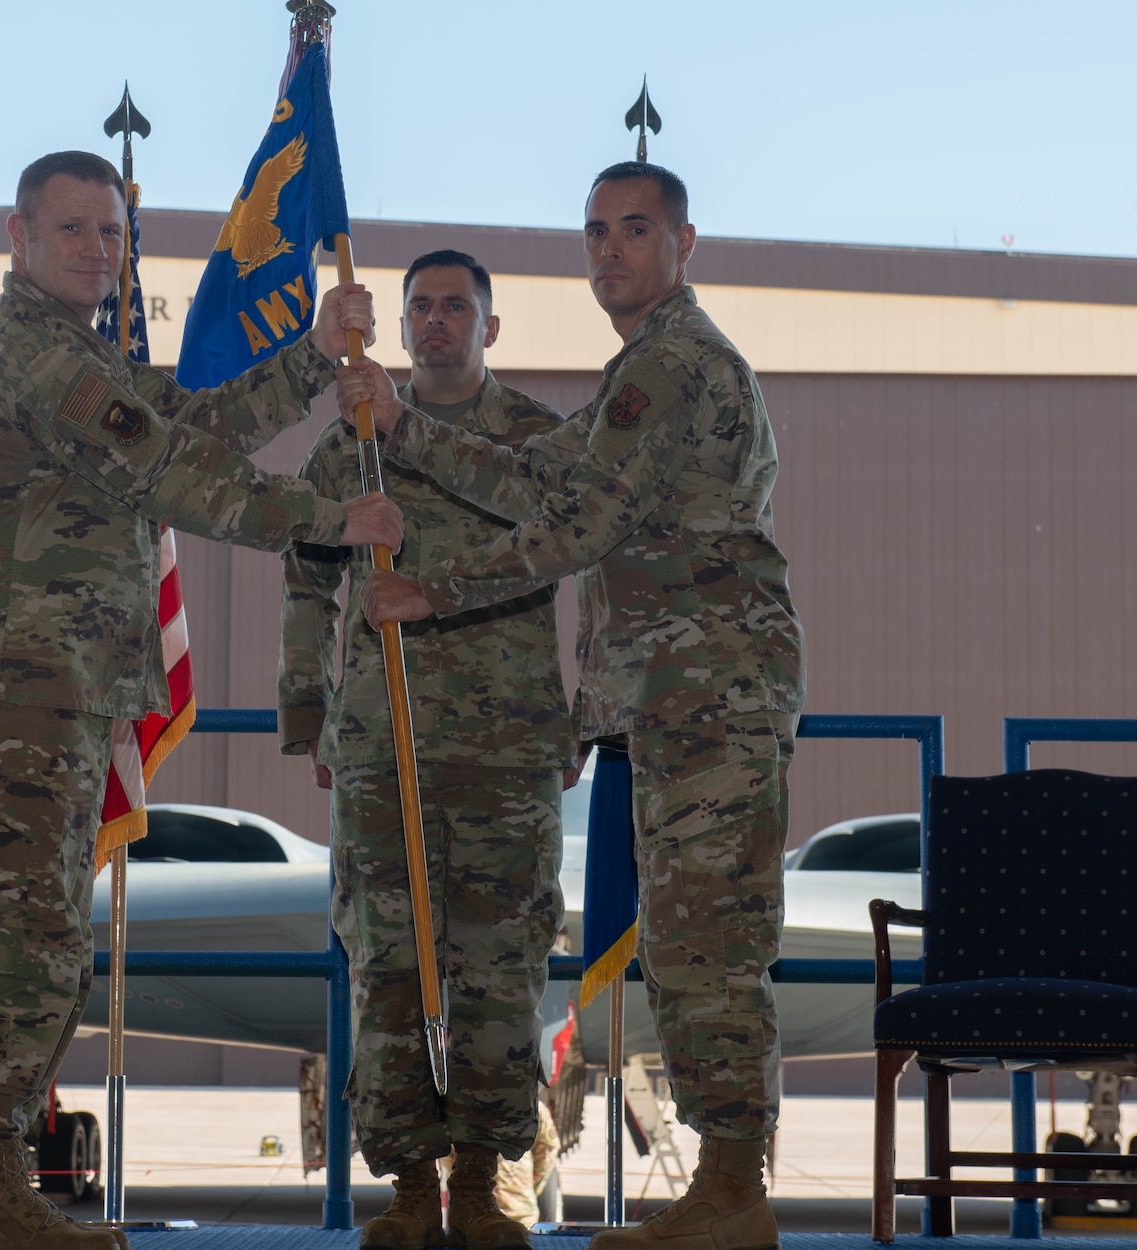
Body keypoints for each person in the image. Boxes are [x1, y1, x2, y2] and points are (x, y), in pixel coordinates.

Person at [0, 149, 400, 1250]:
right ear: (19, 237)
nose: (96, 249)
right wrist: (325, 519)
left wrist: (315, 356)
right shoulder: (33, 358)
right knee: (16, 938)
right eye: (74, 229)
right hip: (10, 689)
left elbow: (187, 424)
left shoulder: (79, 355)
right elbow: (173, 471)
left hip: (55, 688)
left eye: (112, 232)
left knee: (35, 939)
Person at [341, 162, 805, 1250]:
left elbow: (573, 521)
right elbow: (542, 468)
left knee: (709, 941)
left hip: (707, 698)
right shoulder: (638, 372)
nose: (608, 250)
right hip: (672, 700)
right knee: (688, 944)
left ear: (682, 242)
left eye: (633, 230)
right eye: (593, 231)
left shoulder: (677, 366)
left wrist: (432, 589)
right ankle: (725, 1187)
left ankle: (734, 1190)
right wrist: (403, 429)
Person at [278, 249, 574, 1250]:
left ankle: (488, 1178)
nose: (436, 321)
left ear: (491, 327)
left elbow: (566, 534)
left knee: (500, 966)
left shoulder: (537, 438)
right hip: (381, 740)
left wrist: (584, 707)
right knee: (387, 964)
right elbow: (306, 576)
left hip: (508, 746)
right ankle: (408, 1182)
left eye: (457, 306)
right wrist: (306, 703)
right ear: (398, 327)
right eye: (420, 308)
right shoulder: (348, 445)